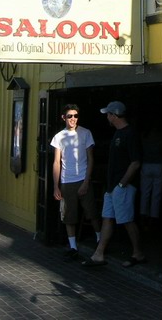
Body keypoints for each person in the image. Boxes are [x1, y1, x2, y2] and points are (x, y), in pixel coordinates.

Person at [83, 101, 146, 269]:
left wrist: (122, 183)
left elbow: (135, 162)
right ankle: (99, 254)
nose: (107, 117)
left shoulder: (129, 134)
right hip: (112, 186)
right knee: (108, 218)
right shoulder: (118, 133)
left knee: (126, 220)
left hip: (122, 186)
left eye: (108, 114)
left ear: (114, 115)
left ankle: (138, 253)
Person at [50, 104, 102, 260]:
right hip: (67, 180)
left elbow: (91, 159)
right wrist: (56, 186)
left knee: (91, 212)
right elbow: (57, 162)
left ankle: (100, 240)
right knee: (69, 215)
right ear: (64, 118)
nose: (73, 119)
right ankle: (73, 246)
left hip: (82, 178)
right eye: (70, 116)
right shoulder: (59, 136)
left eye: (75, 116)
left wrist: (86, 181)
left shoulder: (85, 133)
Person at [139, 123, 162, 230]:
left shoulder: (144, 136)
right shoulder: (161, 137)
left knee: (145, 193)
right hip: (159, 164)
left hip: (146, 164)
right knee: (156, 194)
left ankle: (142, 217)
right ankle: (153, 219)